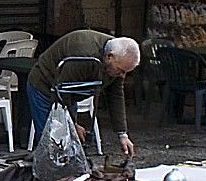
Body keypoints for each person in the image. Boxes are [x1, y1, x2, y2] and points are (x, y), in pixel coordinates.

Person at [24, 31, 139, 165]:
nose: (122, 75)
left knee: (71, 146)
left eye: (125, 72)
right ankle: (46, 178)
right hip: (45, 85)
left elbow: (116, 95)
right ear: (109, 57)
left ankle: (67, 178)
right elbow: (63, 93)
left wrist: (122, 134)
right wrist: (73, 125)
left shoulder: (118, 56)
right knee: (50, 143)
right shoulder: (83, 55)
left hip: (72, 91)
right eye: (121, 70)